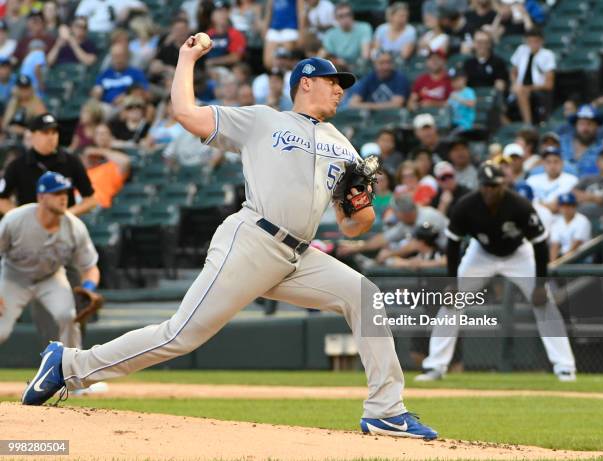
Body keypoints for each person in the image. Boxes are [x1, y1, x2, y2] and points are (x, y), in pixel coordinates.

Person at [21, 38, 438, 441]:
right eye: (334, 82)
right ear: (306, 82)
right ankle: (68, 364)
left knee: (364, 295)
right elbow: (186, 113)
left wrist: (360, 205)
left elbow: (353, 226)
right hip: (252, 241)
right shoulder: (263, 120)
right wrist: (187, 59)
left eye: (344, 86)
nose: (341, 91)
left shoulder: (344, 147)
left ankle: (386, 412)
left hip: (298, 255)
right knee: (179, 336)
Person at [414, 162, 576, 382]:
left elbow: (539, 244)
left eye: (495, 185)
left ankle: (564, 367)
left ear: (503, 184)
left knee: (544, 302)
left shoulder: (519, 205)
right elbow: (453, 244)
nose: (490, 190)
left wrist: (539, 284)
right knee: (451, 301)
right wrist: (452, 282)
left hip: (518, 254)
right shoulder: (466, 205)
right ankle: (435, 366)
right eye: (486, 185)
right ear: (480, 186)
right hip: (481, 254)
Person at [0, 171, 100, 348]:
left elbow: (90, 267)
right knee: (1, 331)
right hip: (13, 276)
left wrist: (88, 287)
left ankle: (73, 372)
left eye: (65, 193)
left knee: (68, 317)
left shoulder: (75, 227)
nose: (63, 198)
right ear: (41, 197)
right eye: (56, 193)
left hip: (50, 277)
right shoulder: (15, 220)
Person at [0, 113, 97, 216]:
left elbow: (90, 199)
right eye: (45, 132)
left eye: (54, 132)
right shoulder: (17, 165)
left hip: (63, 226)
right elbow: (1, 199)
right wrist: (21, 217)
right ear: (33, 135)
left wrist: (68, 215)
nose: (51, 137)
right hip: (30, 228)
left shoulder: (71, 161)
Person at [338, 192, 448, 263]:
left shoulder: (427, 216)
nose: (394, 215)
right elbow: (383, 238)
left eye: (396, 212)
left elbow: (416, 245)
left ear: (404, 213)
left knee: (392, 259)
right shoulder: (407, 221)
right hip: (432, 257)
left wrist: (389, 254)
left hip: (448, 254)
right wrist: (356, 248)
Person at [509, 28, 555, 125]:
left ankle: (528, 124)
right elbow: (513, 71)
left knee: (521, 91)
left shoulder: (548, 55)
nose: (533, 44)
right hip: (519, 88)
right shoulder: (521, 50)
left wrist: (528, 88)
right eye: (530, 41)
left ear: (541, 41)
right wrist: (514, 83)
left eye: (536, 41)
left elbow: (549, 85)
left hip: (537, 90)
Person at [82, 126, 131, 209]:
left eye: (104, 133)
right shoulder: (90, 160)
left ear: (111, 136)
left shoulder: (114, 164)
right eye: (98, 133)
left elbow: (125, 162)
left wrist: (101, 151)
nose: (101, 136)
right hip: (80, 198)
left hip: (97, 202)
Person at [560, 104, 603, 178]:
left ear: (597, 126)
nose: (585, 128)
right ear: (575, 125)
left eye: (589, 124)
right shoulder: (562, 142)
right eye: (581, 124)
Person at [526, 147, 578, 213]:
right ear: (543, 163)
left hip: (558, 220)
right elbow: (524, 203)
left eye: (555, 161)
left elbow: (555, 208)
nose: (552, 166)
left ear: (562, 163)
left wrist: (537, 203)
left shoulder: (571, 180)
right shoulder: (532, 180)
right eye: (548, 162)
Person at [321, 2, 372, 67]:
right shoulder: (330, 34)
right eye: (341, 16)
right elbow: (325, 56)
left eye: (348, 15)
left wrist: (348, 65)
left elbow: (365, 56)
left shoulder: (364, 28)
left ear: (352, 15)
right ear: (336, 18)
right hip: (338, 69)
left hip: (360, 69)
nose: (345, 19)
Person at [573, 142, 603, 221]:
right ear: (598, 163)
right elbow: (573, 193)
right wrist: (594, 197)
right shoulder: (588, 178)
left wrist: (586, 197)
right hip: (581, 219)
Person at [549, 192, 591, 262]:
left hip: (582, 256)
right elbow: (554, 245)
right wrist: (552, 263)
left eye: (568, 205)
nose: (566, 209)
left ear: (574, 206)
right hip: (563, 256)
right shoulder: (557, 222)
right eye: (563, 205)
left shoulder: (583, 220)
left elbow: (576, 244)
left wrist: (560, 262)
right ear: (559, 207)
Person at [262, 0, 304, 69]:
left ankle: (286, 76)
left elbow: (300, 11)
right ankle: (277, 75)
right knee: (268, 62)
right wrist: (265, 28)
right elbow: (269, 11)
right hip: (274, 28)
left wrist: (301, 33)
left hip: (290, 28)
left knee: (287, 59)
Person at [1, 74, 46, 139]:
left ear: (31, 89)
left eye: (26, 88)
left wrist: (24, 131)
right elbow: (4, 125)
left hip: (29, 140)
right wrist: (10, 129)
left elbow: (44, 127)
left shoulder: (37, 104)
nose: (23, 91)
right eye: (21, 88)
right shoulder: (12, 103)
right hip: (10, 139)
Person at [205, 1, 248, 68]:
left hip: (229, 69)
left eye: (225, 11)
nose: (223, 14)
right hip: (208, 70)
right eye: (219, 11)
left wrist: (213, 62)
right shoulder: (207, 34)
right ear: (212, 16)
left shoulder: (236, 34)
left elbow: (236, 57)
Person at [74, 0, 147, 34]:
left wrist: (129, 8)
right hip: (90, 34)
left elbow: (144, 8)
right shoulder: (88, 1)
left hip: (112, 32)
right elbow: (79, 18)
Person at [448, 67, 476, 132]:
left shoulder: (468, 91)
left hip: (466, 124)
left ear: (464, 79)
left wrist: (459, 99)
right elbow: (448, 106)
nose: (454, 83)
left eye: (457, 80)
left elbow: (472, 104)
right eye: (452, 81)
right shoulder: (453, 93)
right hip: (454, 123)